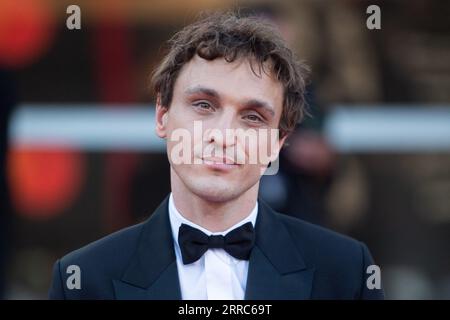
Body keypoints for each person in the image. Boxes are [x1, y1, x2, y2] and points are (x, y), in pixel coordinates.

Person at [48, 12, 383, 300]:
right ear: (162, 116)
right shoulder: (83, 279)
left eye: (253, 116)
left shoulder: (346, 273)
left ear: (277, 143)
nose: (223, 135)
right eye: (204, 105)